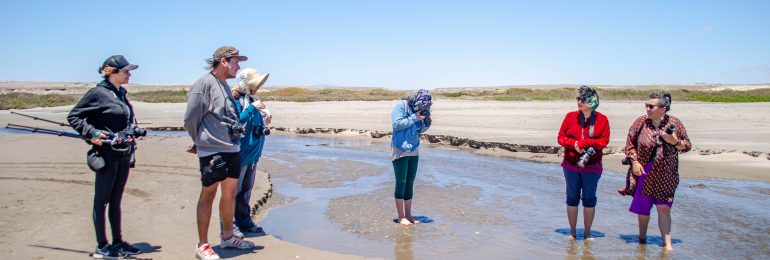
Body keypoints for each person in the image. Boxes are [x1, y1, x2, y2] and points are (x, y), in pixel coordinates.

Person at [183, 46, 257, 260]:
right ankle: (203, 245)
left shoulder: (225, 85)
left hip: (232, 148)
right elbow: (190, 119)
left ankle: (227, 236)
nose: (239, 66)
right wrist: (198, 142)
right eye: (236, 61)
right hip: (213, 150)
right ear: (223, 61)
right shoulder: (204, 84)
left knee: (230, 193)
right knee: (208, 194)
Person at [68, 55, 143, 259]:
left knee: (116, 200)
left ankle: (118, 242)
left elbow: (123, 119)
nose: (130, 74)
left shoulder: (121, 93)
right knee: (101, 201)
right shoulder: (97, 93)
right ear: (112, 72)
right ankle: (102, 245)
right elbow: (74, 117)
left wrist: (132, 130)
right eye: (126, 71)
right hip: (106, 155)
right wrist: (92, 133)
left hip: (123, 153)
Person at [623, 91, 691, 251]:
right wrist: (634, 162)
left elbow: (686, 146)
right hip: (644, 171)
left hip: (666, 174)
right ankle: (642, 240)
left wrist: (674, 141)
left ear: (663, 108)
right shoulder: (640, 122)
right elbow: (629, 144)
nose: (647, 109)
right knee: (643, 208)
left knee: (664, 208)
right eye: (646, 105)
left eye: (651, 106)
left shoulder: (675, 123)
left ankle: (667, 245)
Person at [556, 86, 610, 240]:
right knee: (572, 197)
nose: (579, 102)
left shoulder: (602, 119)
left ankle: (587, 234)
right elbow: (560, 137)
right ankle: (572, 233)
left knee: (589, 198)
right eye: (578, 99)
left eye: (583, 99)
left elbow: (603, 141)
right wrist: (574, 144)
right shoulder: (570, 116)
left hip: (592, 166)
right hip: (571, 164)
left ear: (592, 101)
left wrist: (584, 143)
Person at [227, 68, 270, 236]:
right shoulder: (236, 101)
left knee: (245, 191)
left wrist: (265, 118)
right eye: (255, 84)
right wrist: (253, 108)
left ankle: (244, 221)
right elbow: (236, 122)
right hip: (240, 153)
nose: (258, 87)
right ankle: (230, 227)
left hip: (252, 153)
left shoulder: (251, 100)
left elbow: (254, 126)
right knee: (233, 192)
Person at [391, 89, 432, 226]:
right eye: (422, 106)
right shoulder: (401, 106)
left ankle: (408, 215)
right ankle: (401, 216)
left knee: (410, 183)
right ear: (416, 101)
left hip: (413, 149)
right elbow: (396, 125)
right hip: (400, 149)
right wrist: (415, 117)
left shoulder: (420, 110)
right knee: (401, 182)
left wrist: (426, 123)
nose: (423, 108)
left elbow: (418, 129)